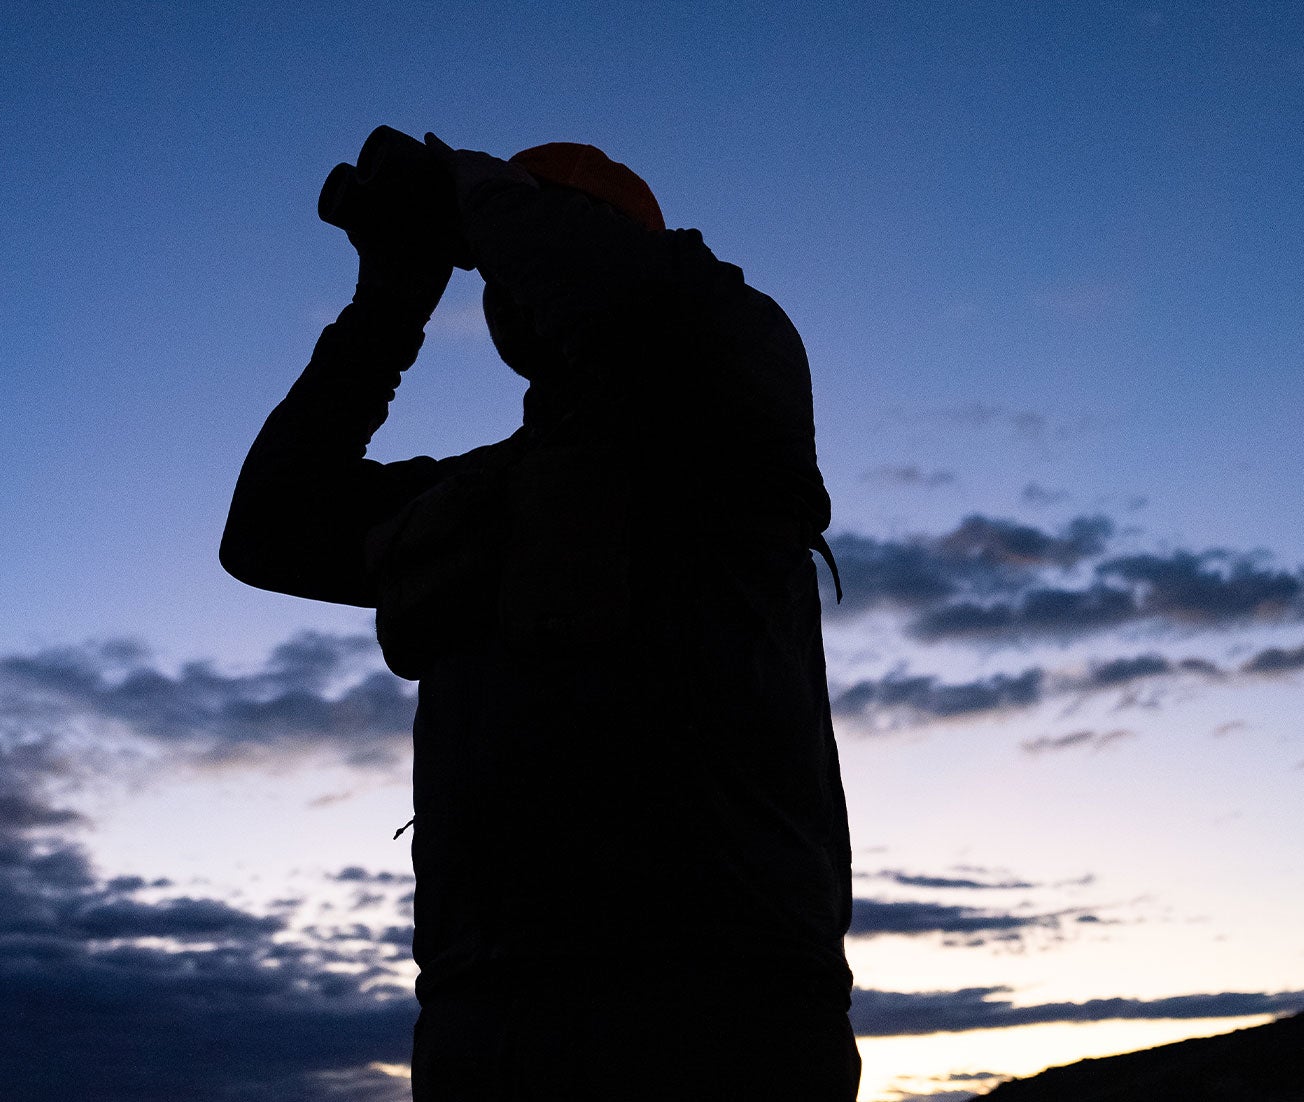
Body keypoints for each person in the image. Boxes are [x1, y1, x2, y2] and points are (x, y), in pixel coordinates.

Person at [221, 129, 858, 1100]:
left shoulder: (736, 386)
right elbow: (270, 530)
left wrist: (461, 185)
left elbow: (627, 291)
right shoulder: (470, 500)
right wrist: (388, 305)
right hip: (491, 1020)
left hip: (726, 1011)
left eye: (544, 229)